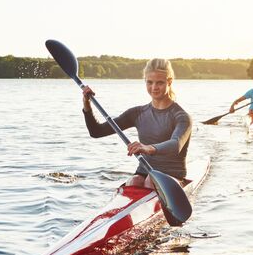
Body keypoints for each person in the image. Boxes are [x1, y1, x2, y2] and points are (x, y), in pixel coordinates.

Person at [80, 58, 193, 189]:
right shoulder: (137, 113)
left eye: (160, 83)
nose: (154, 87)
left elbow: (176, 145)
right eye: (149, 82)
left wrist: (147, 148)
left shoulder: (182, 117)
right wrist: (86, 104)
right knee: (134, 182)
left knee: (151, 181)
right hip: (144, 173)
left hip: (173, 176)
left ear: (169, 82)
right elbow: (96, 132)